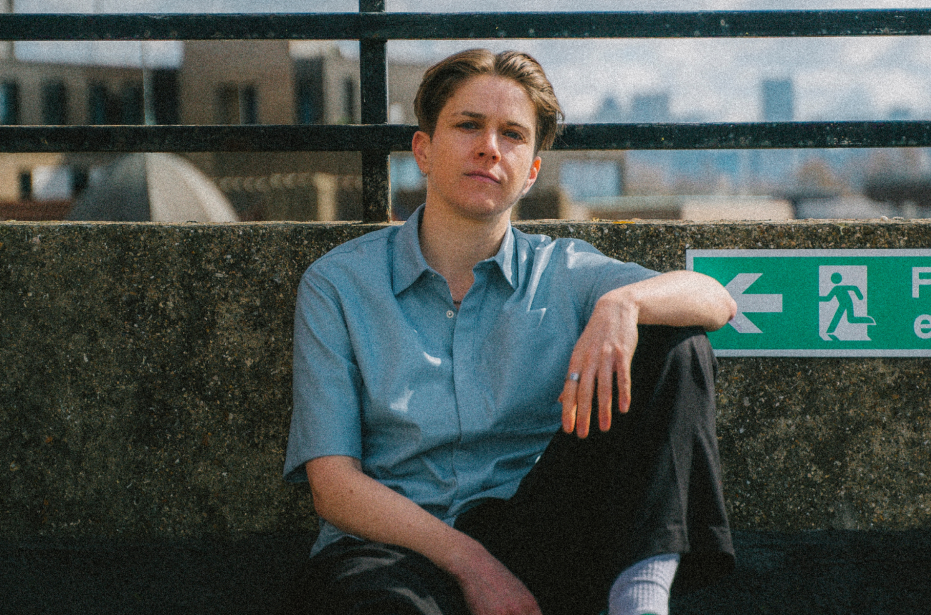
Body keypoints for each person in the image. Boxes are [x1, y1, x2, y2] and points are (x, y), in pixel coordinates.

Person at [283, 49, 737, 615]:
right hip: (392, 550)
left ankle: (640, 600)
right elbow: (333, 485)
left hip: (537, 535)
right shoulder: (339, 284)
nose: (489, 148)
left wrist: (624, 303)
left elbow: (715, 299)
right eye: (468, 125)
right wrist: (474, 565)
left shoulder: (563, 272)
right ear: (423, 150)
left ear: (532, 172)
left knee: (677, 343)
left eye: (513, 134)